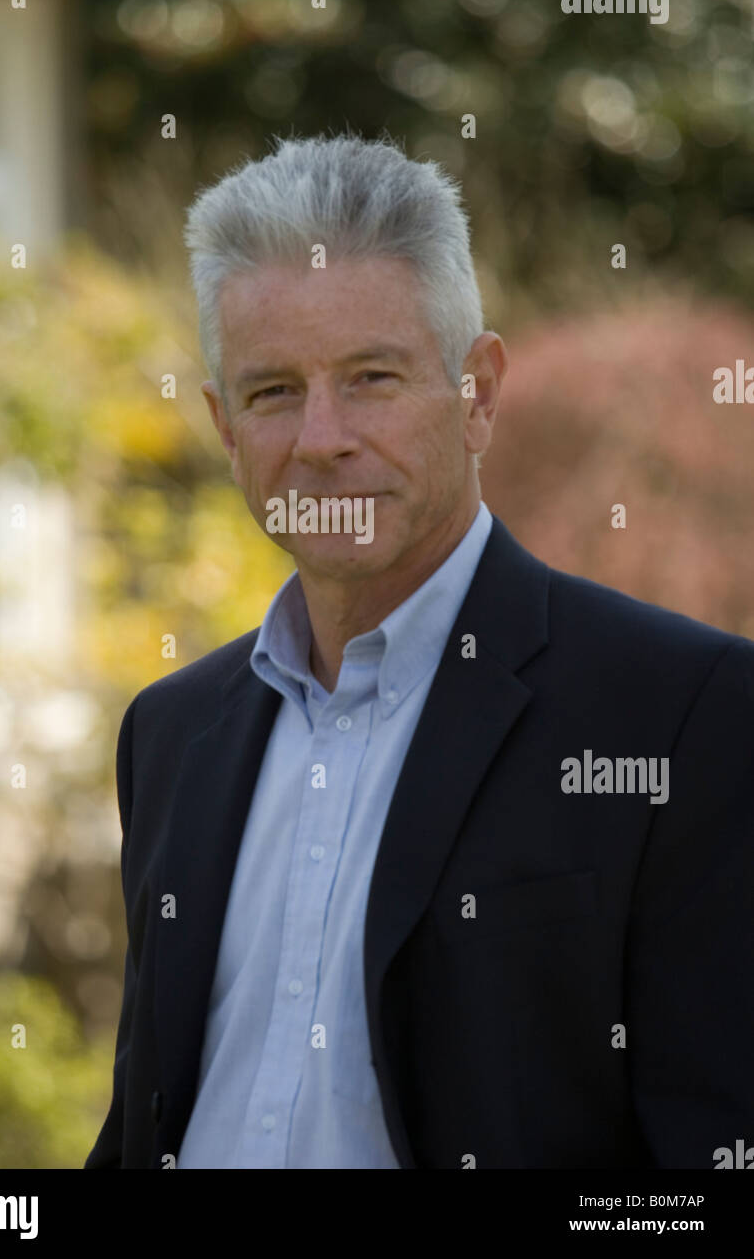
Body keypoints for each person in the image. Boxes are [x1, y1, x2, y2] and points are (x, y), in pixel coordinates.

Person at [85, 133, 754, 1169]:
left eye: (371, 378)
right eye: (272, 392)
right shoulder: (171, 735)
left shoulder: (683, 712)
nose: (321, 438)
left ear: (479, 392)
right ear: (224, 427)